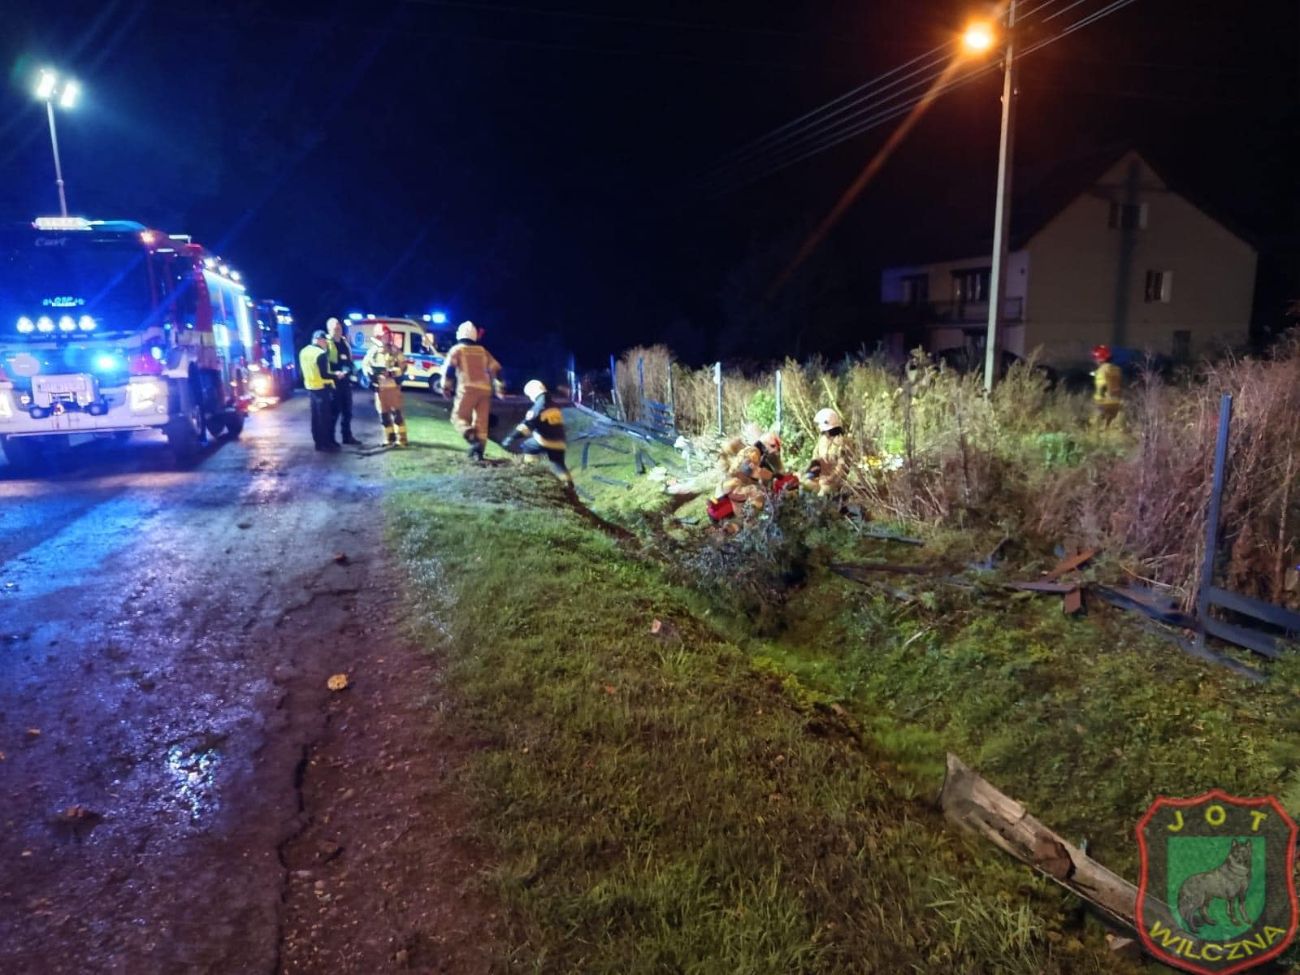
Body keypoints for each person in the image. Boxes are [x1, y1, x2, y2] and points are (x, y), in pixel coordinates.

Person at [442, 320, 502, 462]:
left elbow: (449, 370)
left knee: (458, 418)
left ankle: (471, 438)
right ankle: (479, 454)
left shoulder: (457, 350)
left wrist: (446, 387)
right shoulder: (483, 351)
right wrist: (500, 387)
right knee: (481, 423)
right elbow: (496, 369)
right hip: (485, 390)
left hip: (467, 389)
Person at [502, 380, 573, 488]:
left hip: (545, 440)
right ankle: (568, 484)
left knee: (528, 446)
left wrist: (511, 437)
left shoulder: (537, 408)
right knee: (558, 462)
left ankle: (531, 471)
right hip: (560, 441)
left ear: (533, 393)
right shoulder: (554, 405)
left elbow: (526, 427)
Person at [362, 325, 408, 446]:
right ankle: (389, 438)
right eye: (384, 335)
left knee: (397, 414)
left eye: (388, 335)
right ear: (378, 337)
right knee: (384, 416)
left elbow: (404, 366)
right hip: (380, 388)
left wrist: (393, 372)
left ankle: (402, 439)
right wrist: (370, 375)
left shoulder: (395, 350)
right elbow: (365, 366)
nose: (387, 338)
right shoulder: (373, 352)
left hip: (393, 387)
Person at [299, 330, 337, 451]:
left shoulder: (303, 351)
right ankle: (326, 444)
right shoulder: (320, 354)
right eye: (325, 341)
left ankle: (318, 443)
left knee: (315, 419)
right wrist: (337, 375)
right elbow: (324, 375)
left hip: (311, 389)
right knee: (324, 419)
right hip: (322, 388)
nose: (326, 343)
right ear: (320, 340)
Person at [326, 318, 361, 445]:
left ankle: (347, 437)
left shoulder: (344, 342)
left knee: (348, 412)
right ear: (329, 330)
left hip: (345, 382)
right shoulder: (328, 344)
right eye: (335, 328)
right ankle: (330, 439)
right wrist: (334, 374)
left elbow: (349, 360)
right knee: (334, 412)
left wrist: (352, 370)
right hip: (334, 383)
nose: (338, 330)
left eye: (339, 328)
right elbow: (325, 364)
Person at [805, 408, 848, 497]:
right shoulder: (822, 440)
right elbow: (815, 458)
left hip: (836, 481)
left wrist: (830, 478)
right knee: (804, 486)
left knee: (823, 493)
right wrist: (811, 472)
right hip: (821, 478)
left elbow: (842, 467)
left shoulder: (842, 442)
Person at [1091, 344, 1123, 428]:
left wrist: (1098, 400)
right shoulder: (1116, 369)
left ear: (1100, 358)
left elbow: (1101, 387)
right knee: (1111, 428)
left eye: (1095, 358)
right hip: (1117, 403)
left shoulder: (1101, 370)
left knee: (1096, 428)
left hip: (1104, 403)